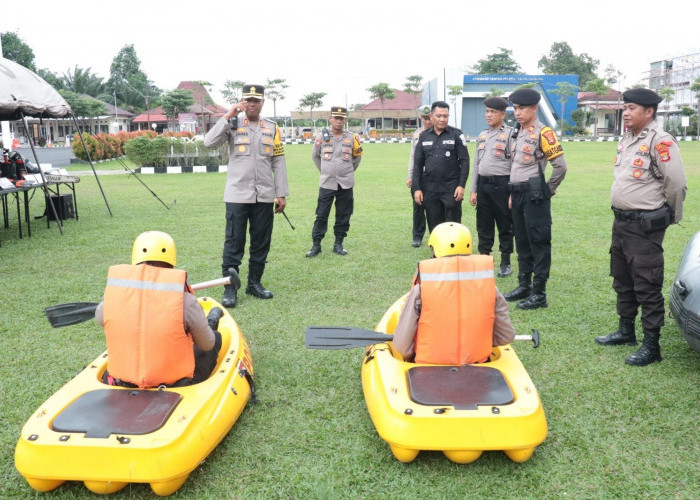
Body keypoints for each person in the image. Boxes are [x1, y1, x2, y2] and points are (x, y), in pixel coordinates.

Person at [594, 88, 687, 366]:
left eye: (633, 108)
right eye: (626, 108)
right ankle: (626, 331)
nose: (627, 113)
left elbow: (677, 184)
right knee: (622, 278)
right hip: (621, 222)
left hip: (645, 225)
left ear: (649, 111)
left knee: (647, 283)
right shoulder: (627, 138)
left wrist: (669, 217)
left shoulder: (661, 141)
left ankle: (651, 345)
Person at [95, 231, 224, 388]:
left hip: (123, 381)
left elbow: (100, 318)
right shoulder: (186, 301)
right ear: (171, 260)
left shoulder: (113, 295)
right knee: (215, 337)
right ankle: (210, 322)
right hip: (174, 384)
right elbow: (207, 345)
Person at [204, 84, 289, 307]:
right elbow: (208, 142)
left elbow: (278, 161)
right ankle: (230, 289)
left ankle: (254, 284)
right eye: (248, 100)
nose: (251, 104)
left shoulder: (272, 128)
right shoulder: (232, 123)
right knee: (234, 242)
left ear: (262, 103)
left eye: (256, 100)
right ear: (242, 101)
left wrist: (281, 193)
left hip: (264, 196)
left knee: (261, 242)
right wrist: (228, 115)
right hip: (237, 195)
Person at [393, 222, 516, 365]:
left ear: (435, 249)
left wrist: (411, 356)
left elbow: (402, 345)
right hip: (477, 361)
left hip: (429, 364)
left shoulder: (421, 289)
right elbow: (506, 335)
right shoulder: (489, 287)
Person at [503, 88, 567, 310]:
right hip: (518, 194)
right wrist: (512, 193)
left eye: (522, 108)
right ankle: (524, 286)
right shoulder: (517, 132)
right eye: (515, 108)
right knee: (521, 240)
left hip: (534, 195)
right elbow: (516, 165)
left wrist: (548, 189)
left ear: (534, 108)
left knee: (538, 242)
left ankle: (539, 293)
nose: (517, 112)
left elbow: (560, 166)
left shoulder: (544, 132)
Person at [305, 106, 363, 257]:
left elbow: (357, 157)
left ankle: (338, 243)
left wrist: (347, 170)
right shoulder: (321, 137)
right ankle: (316, 245)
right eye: (335, 118)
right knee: (321, 214)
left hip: (346, 183)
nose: (338, 121)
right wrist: (326, 170)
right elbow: (315, 156)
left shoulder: (352, 138)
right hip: (327, 183)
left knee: (344, 214)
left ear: (345, 120)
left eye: (341, 118)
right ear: (330, 118)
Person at [469, 97, 515, 277]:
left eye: (493, 112)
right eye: (487, 111)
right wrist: (473, 189)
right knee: (483, 224)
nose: (488, 115)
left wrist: (512, 191)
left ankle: (505, 262)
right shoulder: (483, 135)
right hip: (483, 185)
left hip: (502, 185)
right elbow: (476, 164)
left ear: (503, 114)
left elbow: (514, 165)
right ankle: (484, 259)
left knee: (505, 224)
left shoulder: (512, 134)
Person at [412, 101, 470, 233]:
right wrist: (417, 188)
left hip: (451, 187)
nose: (442, 119)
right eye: (439, 116)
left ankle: (453, 251)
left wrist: (461, 185)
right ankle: (437, 252)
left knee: (452, 223)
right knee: (434, 223)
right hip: (430, 188)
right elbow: (418, 164)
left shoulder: (456, 134)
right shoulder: (424, 136)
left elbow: (465, 161)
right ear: (431, 116)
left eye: (445, 116)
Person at [407, 105, 432, 247]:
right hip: (419, 176)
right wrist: (410, 175)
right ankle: (417, 236)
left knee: (433, 208)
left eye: (429, 118)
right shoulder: (417, 134)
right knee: (418, 207)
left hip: (434, 177)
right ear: (421, 118)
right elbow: (413, 157)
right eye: (424, 118)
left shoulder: (440, 133)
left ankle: (435, 236)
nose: (427, 121)